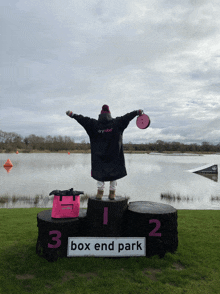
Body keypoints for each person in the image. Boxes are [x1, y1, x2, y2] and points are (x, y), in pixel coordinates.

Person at [66, 105, 143, 200]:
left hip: (99, 157)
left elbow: (83, 120)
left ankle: (100, 192)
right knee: (114, 173)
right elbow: (127, 117)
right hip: (114, 156)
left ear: (100, 115)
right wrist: (136, 112)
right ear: (109, 114)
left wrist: (72, 115)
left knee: (99, 172)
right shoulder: (117, 123)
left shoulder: (94, 125)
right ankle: (112, 193)